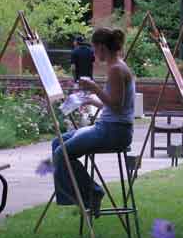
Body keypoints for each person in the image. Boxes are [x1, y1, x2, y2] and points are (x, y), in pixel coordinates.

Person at [52, 27, 135, 213]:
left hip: (114, 131)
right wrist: (90, 99)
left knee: (61, 153)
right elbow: (112, 104)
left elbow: (117, 106)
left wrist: (95, 88)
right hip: (111, 127)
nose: (93, 53)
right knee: (57, 142)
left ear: (102, 47)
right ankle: (79, 196)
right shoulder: (117, 66)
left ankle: (92, 193)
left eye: (94, 48)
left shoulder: (116, 69)